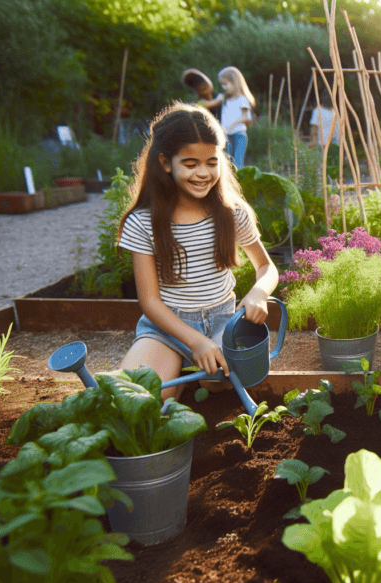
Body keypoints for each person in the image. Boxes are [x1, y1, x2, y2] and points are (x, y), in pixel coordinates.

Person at [117, 102, 279, 402]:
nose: (203, 173)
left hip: (222, 323)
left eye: (212, 162)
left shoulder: (232, 213)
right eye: (190, 164)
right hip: (165, 327)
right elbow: (150, 301)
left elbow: (266, 267)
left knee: (218, 383)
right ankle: (175, 371)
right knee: (135, 400)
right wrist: (195, 342)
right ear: (166, 162)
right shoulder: (143, 222)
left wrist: (258, 292)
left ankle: (181, 376)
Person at [211, 66, 256, 170]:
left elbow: (245, 118)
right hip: (226, 136)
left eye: (226, 84)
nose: (223, 87)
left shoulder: (242, 100)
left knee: (237, 164)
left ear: (235, 82)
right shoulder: (225, 99)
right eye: (222, 84)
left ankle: (239, 185)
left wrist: (230, 127)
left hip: (238, 135)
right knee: (226, 163)